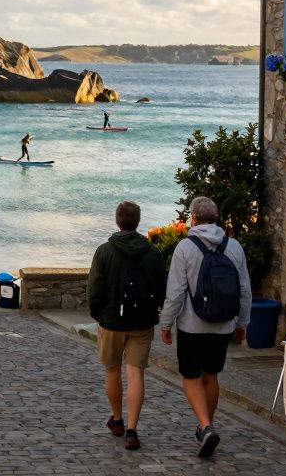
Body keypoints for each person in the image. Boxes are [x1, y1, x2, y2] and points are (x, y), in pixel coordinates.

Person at [159, 196, 252, 459]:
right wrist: (242, 323)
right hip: (223, 325)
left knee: (191, 376)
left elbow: (175, 292)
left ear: (194, 219)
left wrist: (165, 323)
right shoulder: (234, 247)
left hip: (191, 324)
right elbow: (244, 289)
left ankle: (206, 426)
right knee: (211, 375)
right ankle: (206, 427)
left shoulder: (185, 248)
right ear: (216, 218)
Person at [87, 201, 166, 451]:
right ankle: (132, 429)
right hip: (142, 322)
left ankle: (117, 419)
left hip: (111, 321)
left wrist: (98, 314)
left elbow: (94, 289)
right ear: (138, 221)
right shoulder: (153, 253)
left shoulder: (104, 251)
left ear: (117, 221)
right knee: (136, 374)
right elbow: (161, 288)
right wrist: (155, 310)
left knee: (112, 370)